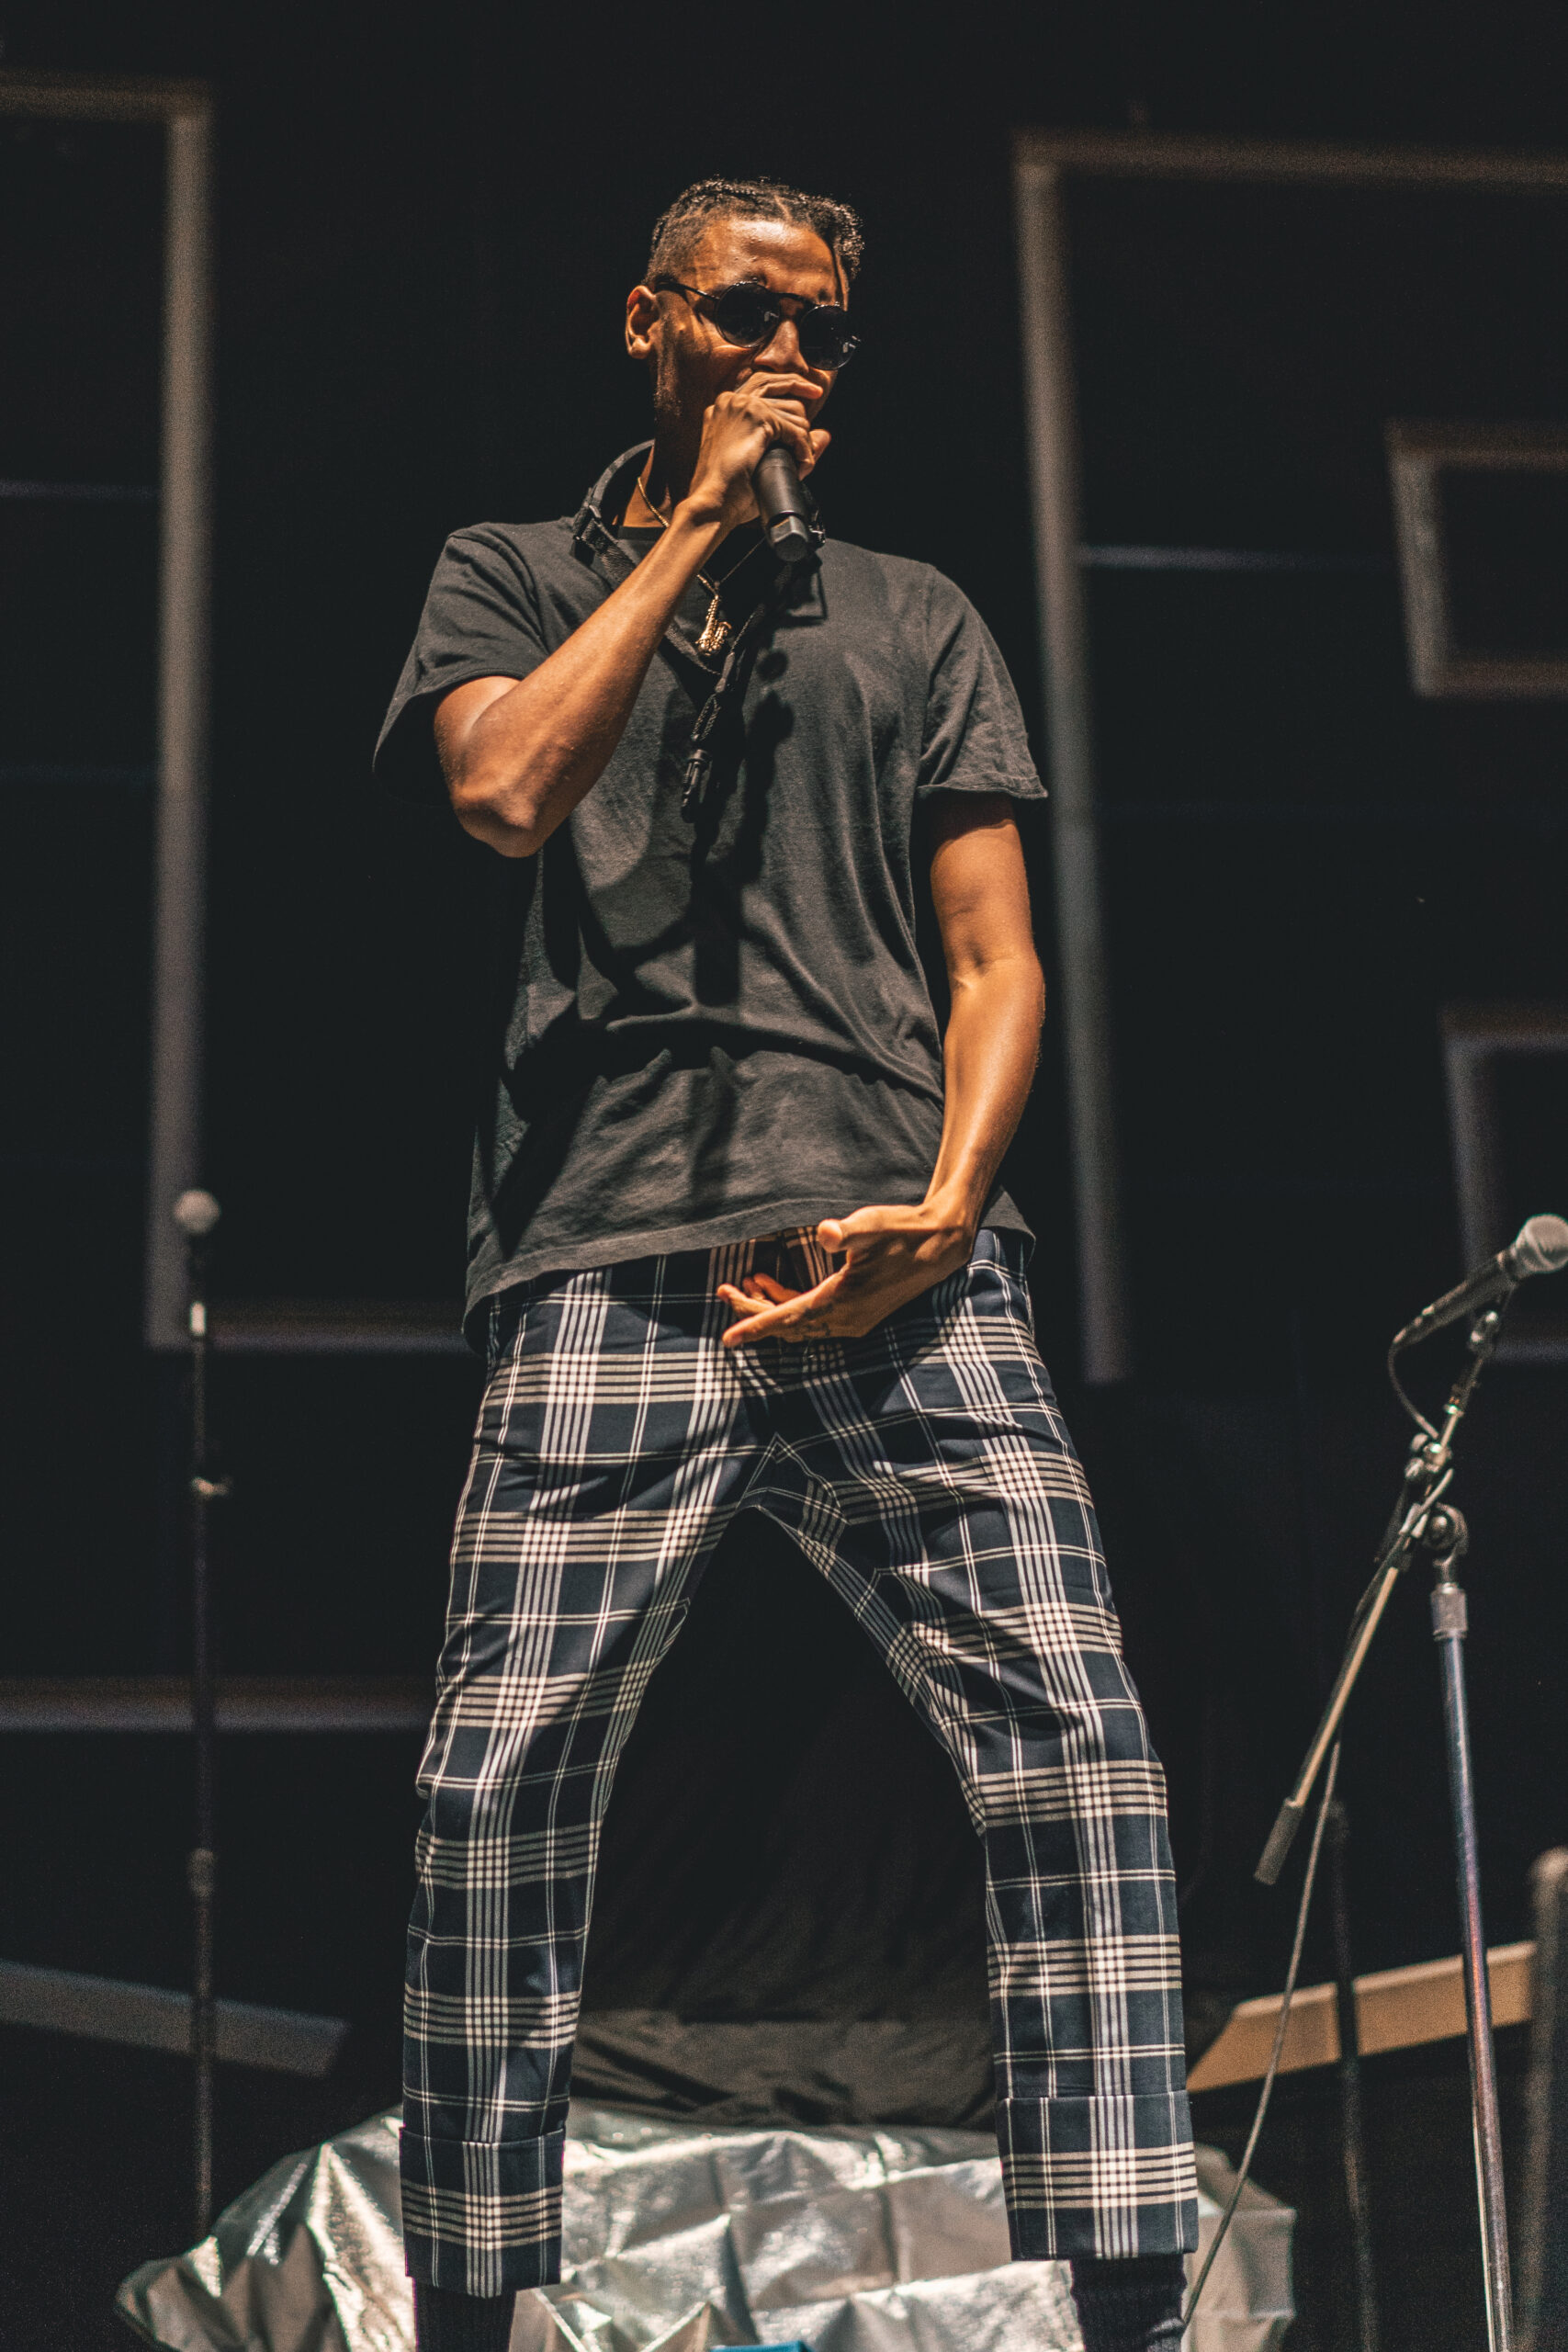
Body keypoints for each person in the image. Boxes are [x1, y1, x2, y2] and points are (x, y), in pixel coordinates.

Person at [375, 176, 1197, 2352]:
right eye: (745, 314)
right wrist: (688, 538)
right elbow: (501, 793)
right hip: (608, 1246)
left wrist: (951, 1196)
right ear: (648, 319)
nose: (787, 357)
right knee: (497, 1778)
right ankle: (467, 2308)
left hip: (897, 1256)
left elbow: (995, 955)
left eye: (819, 326)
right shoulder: (512, 570)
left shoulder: (912, 613)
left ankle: (1126, 2298)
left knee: (1077, 1747)